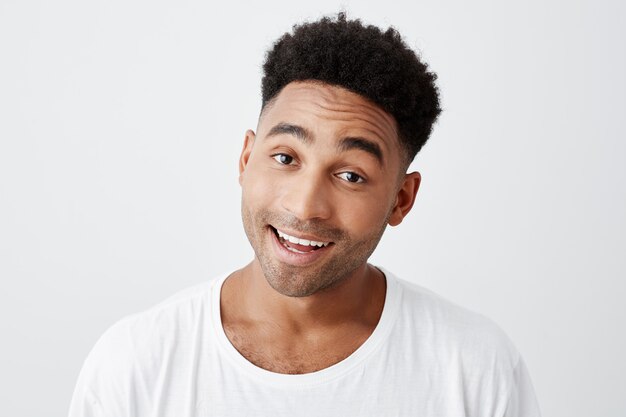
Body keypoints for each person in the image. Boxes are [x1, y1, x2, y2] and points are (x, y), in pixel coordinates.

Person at [69, 13, 541, 417]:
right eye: (285, 157)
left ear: (401, 199)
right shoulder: (134, 364)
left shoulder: (476, 369)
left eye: (351, 175)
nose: (304, 206)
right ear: (245, 159)